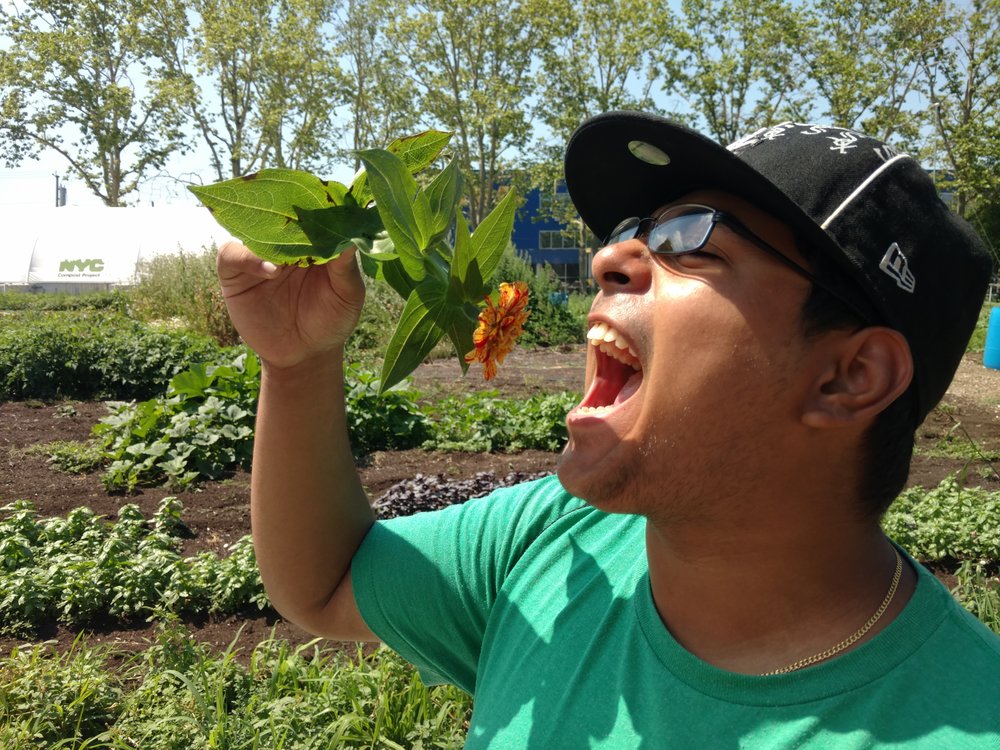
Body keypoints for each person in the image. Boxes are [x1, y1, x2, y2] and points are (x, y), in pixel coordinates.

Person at [217, 112, 1000, 748]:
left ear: (846, 378)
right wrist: (297, 368)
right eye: (633, 227)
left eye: (690, 237)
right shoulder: (554, 545)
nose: (609, 258)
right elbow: (325, 583)